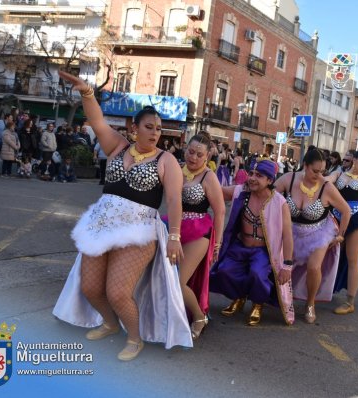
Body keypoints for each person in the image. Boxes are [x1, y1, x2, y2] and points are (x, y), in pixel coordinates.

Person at [52, 71, 192, 360]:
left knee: (117, 292)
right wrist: (87, 93)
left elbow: (175, 199)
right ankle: (110, 323)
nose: (155, 133)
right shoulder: (117, 145)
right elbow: (98, 121)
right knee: (91, 287)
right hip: (101, 225)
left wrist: (175, 236)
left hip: (139, 230)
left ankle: (134, 337)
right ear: (134, 128)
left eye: (158, 129)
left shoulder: (166, 161)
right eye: (149, 127)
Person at [210, 159, 295, 326]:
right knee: (224, 271)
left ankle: (257, 304)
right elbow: (215, 190)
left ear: (270, 180)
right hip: (240, 246)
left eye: (259, 175)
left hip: (264, 251)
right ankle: (239, 297)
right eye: (251, 174)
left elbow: (287, 235)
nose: (252, 178)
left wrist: (287, 265)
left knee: (257, 274)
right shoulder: (240, 192)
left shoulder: (279, 202)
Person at [274, 149, 351, 323]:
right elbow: (269, 196)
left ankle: (310, 304)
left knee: (314, 267)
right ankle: (282, 298)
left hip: (319, 232)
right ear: (305, 165)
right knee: (279, 264)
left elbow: (346, 211)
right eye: (315, 171)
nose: (319, 175)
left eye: (323, 171)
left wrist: (340, 235)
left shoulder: (327, 187)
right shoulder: (289, 178)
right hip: (292, 231)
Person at [171, 131, 225, 339]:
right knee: (164, 275)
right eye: (190, 152)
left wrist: (217, 244)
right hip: (175, 227)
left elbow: (219, 211)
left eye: (199, 155)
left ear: (207, 157)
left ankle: (199, 316)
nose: (193, 157)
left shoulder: (208, 177)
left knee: (178, 280)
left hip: (199, 231)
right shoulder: (176, 170)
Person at [328, 149, 358, 314]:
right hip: (335, 219)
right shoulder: (338, 175)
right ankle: (320, 289)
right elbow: (326, 180)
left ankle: (349, 303)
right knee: (326, 254)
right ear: (354, 159)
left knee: (353, 261)